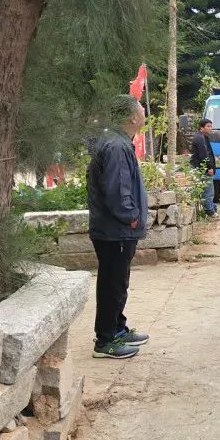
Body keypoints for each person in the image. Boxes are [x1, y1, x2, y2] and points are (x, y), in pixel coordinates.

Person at [86, 95, 152, 360]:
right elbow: (117, 189)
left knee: (118, 281)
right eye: (142, 109)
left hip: (116, 229)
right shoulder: (116, 146)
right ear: (132, 117)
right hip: (116, 229)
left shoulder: (118, 142)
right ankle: (106, 341)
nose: (145, 111)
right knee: (112, 283)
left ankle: (117, 328)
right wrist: (130, 216)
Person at [190, 118, 220, 218]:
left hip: (203, 168)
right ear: (201, 127)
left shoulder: (203, 137)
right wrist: (209, 167)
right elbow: (204, 154)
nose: (210, 128)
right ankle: (210, 212)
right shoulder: (200, 138)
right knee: (208, 192)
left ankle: (212, 209)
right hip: (204, 168)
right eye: (208, 126)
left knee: (208, 191)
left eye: (211, 126)